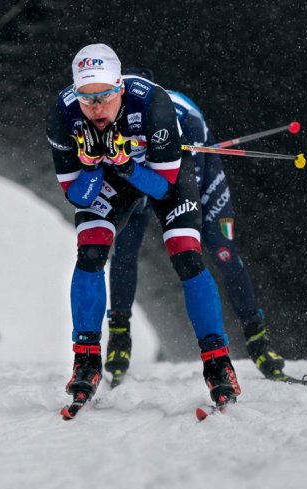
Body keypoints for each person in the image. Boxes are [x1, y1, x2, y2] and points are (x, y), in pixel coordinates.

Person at [46, 44, 241, 411]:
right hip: (108, 175)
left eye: (104, 96)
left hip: (157, 173)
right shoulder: (63, 114)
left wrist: (125, 165)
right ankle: (86, 360)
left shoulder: (152, 102)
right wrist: (91, 166)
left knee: (186, 255)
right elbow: (78, 196)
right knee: (90, 252)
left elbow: (163, 187)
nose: (97, 108)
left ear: (120, 87)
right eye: (87, 99)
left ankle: (218, 364)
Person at [105, 67, 287, 387]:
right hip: (142, 169)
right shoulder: (110, 120)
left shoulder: (178, 121)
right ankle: (119, 338)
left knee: (220, 248)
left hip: (192, 164)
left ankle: (259, 340)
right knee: (125, 245)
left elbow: (181, 193)